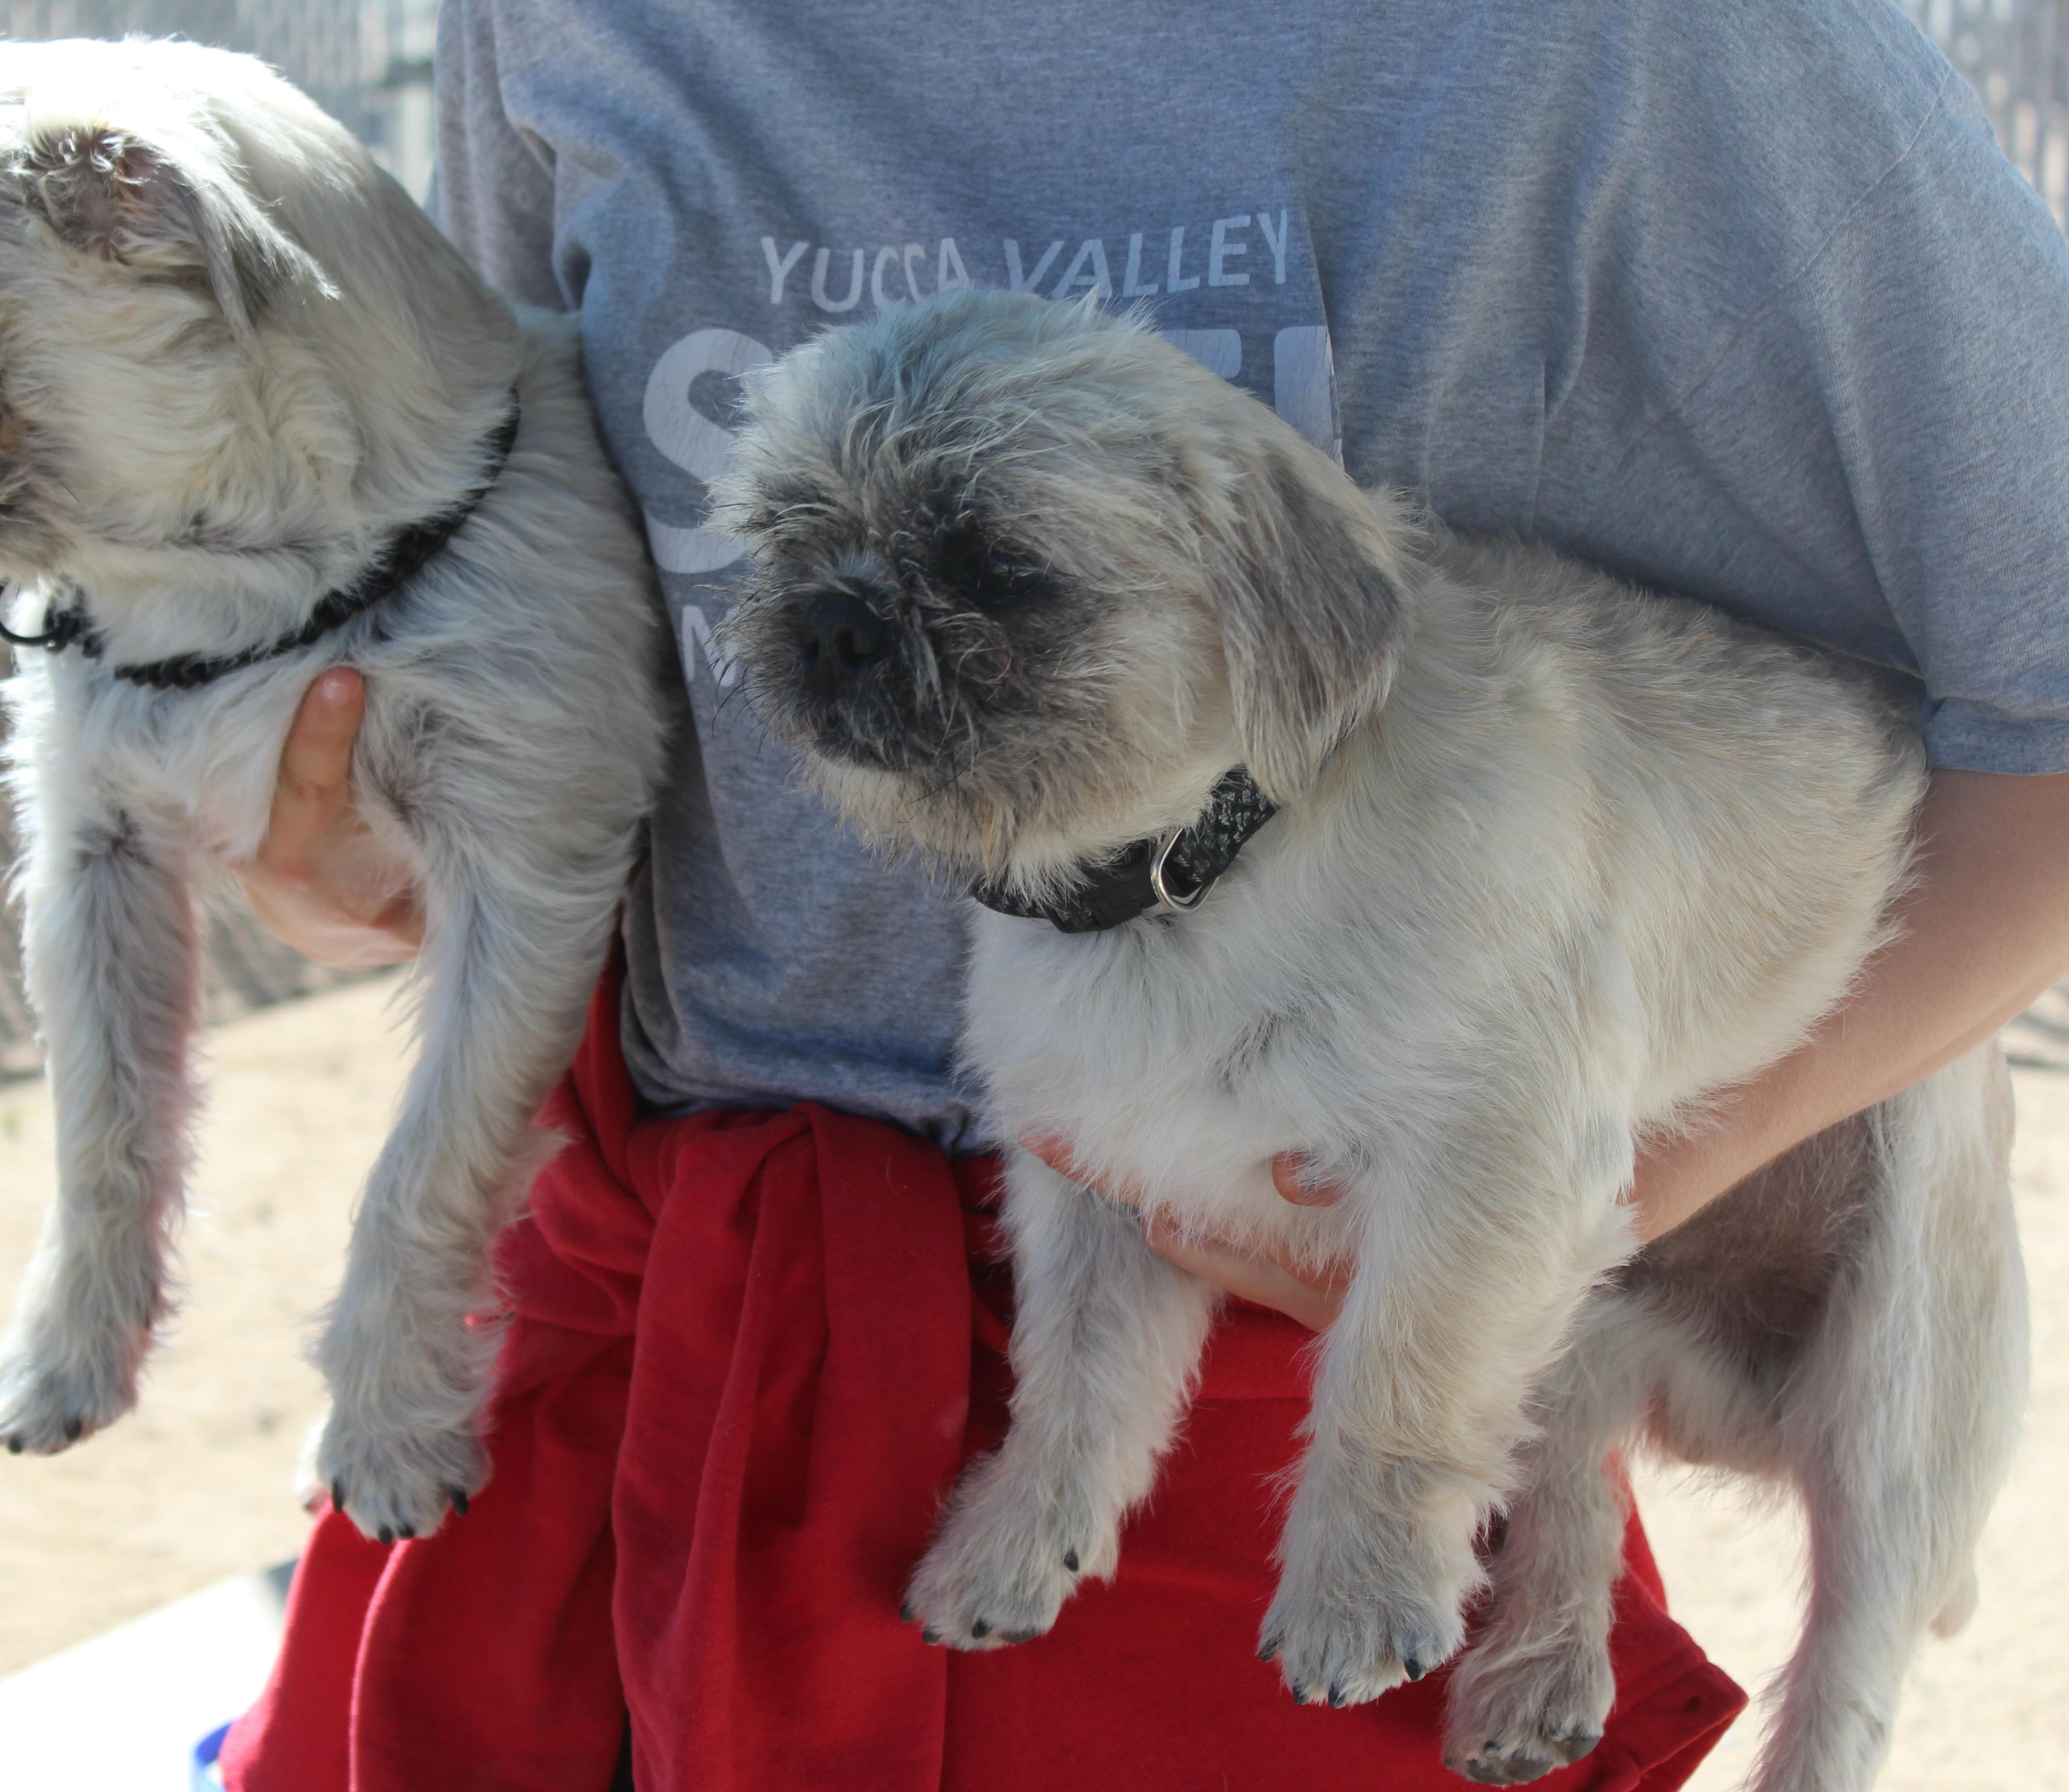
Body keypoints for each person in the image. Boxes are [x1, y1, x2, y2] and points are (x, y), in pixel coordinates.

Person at [217, 2, 2069, 1786]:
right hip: (637, 1328)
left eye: (1004, 573)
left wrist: (1581, 1183)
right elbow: (524, 538)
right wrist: (396, 808)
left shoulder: (1656, 35)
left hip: (1317, 1390)